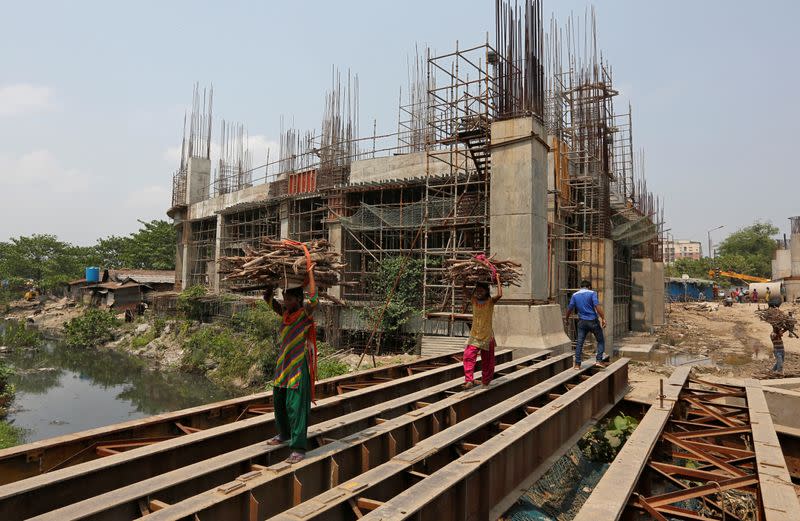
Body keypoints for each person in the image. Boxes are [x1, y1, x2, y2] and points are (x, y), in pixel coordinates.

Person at [263, 267, 318, 464]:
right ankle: (284, 434)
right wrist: (270, 281)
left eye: (289, 299)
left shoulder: (304, 314)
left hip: (297, 364)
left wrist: (310, 274)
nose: (285, 302)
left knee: (296, 406)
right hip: (283, 365)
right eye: (284, 298)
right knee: (279, 401)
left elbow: (314, 300)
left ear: (297, 300)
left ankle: (298, 447)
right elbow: (267, 299)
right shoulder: (285, 314)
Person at [462, 273, 502, 389]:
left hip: (487, 336)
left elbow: (499, 294)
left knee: (488, 362)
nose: (479, 293)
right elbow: (464, 289)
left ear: (486, 292)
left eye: (481, 291)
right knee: (468, 356)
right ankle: (469, 380)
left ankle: (485, 381)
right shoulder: (473, 300)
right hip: (475, 335)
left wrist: (498, 279)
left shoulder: (490, 302)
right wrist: (465, 281)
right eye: (477, 291)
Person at [564, 280, 608, 369]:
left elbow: (569, 308)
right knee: (600, 341)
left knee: (580, 343)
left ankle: (577, 364)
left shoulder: (575, 295)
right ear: (589, 287)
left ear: (581, 287)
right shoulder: (592, 293)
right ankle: (599, 360)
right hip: (593, 321)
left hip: (582, 322)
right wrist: (603, 318)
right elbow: (597, 306)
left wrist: (567, 319)